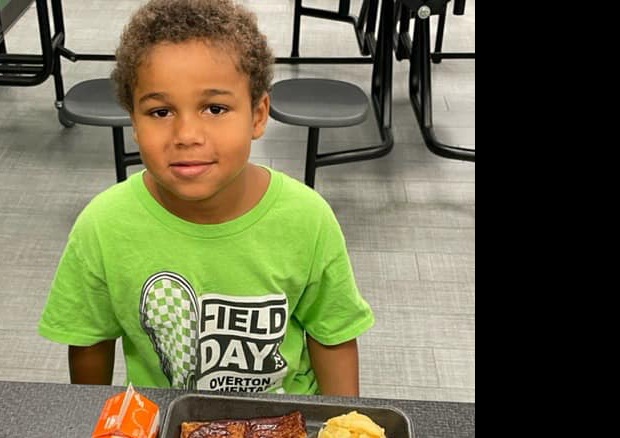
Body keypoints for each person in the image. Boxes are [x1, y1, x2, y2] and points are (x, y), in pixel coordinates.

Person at [38, 0, 374, 396]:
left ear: (258, 115)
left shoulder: (308, 219)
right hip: (164, 429)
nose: (186, 134)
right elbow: (89, 339)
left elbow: (332, 334)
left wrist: (344, 427)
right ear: (133, 121)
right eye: (160, 112)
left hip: (285, 429)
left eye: (215, 108)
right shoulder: (102, 225)